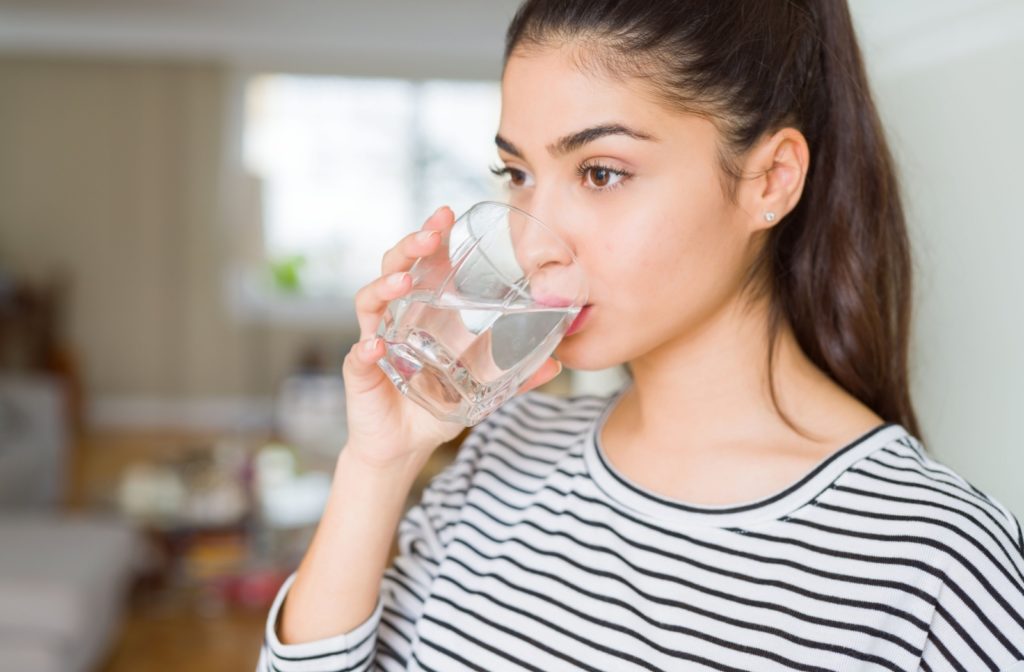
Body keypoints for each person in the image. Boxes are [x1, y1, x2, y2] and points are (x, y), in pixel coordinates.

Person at [257, 1, 1024, 669]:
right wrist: (377, 466)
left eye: (600, 172)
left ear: (770, 180)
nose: (535, 246)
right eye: (518, 174)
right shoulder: (505, 446)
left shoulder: (934, 559)